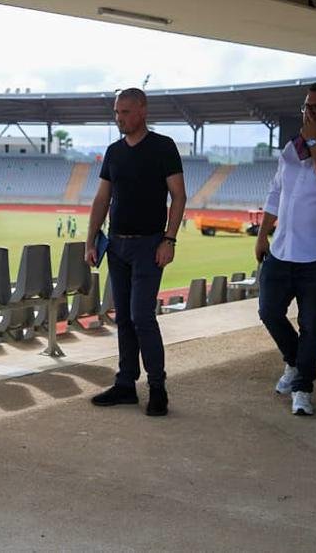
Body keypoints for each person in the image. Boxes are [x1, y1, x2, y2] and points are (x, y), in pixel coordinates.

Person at [85, 88, 186, 416]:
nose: (119, 118)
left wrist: (168, 240)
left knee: (142, 315)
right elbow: (102, 199)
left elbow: (179, 196)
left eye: (125, 112)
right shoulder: (114, 152)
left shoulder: (163, 147)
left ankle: (158, 387)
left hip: (149, 244)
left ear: (142, 110)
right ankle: (126, 384)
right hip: (117, 244)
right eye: (116, 113)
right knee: (124, 317)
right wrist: (90, 241)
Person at [255, 82, 316, 417]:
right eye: (306, 107)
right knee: (269, 311)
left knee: (312, 323)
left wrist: (314, 141)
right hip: (282, 250)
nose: (309, 113)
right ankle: (295, 362)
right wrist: (262, 235)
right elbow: (275, 193)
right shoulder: (290, 150)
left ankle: (303, 387)